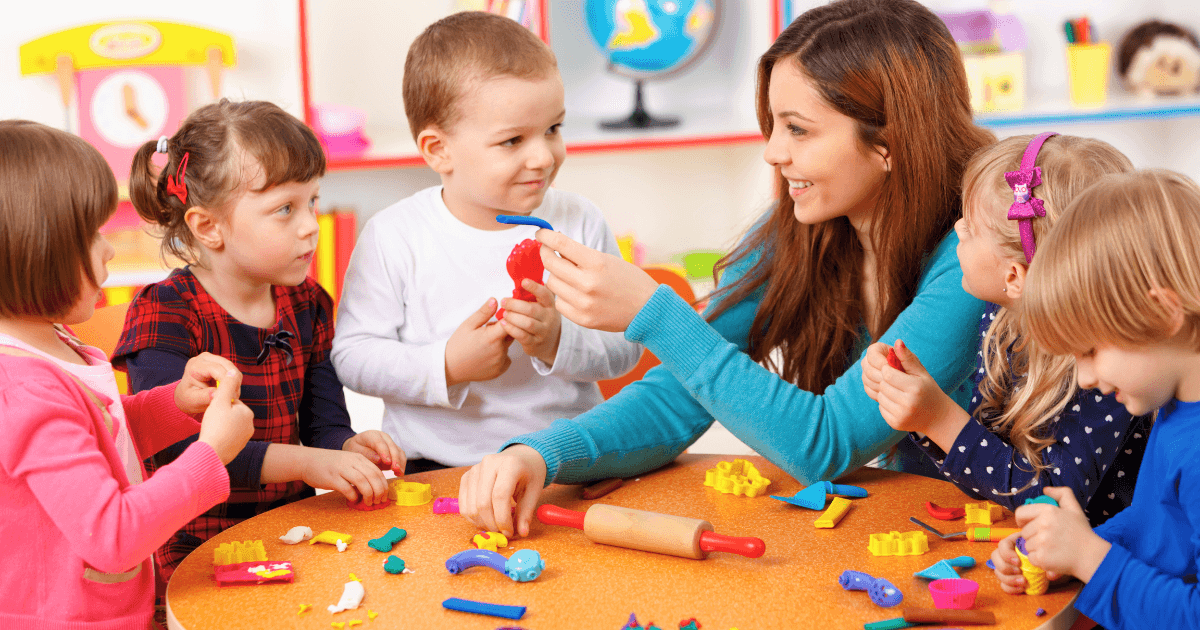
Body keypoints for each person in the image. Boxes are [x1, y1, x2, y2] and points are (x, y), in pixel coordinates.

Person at [458, 0, 996, 538]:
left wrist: (655, 315)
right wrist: (541, 456)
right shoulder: (811, 223)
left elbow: (825, 444)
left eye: (798, 130)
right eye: (772, 126)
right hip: (913, 527)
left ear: (888, 143)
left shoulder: (975, 257)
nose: (772, 153)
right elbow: (679, 394)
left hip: (1000, 541)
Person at [331, 11, 641, 473]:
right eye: (513, 140)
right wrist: (447, 365)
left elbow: (625, 346)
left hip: (563, 461)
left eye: (553, 129)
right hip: (434, 469)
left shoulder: (578, 221)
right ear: (439, 150)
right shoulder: (394, 236)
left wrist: (559, 341)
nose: (543, 155)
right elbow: (353, 356)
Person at [112, 99, 406, 583]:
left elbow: (323, 423)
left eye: (312, 200)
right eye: (284, 209)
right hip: (194, 554)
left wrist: (349, 448)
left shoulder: (308, 301)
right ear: (208, 227)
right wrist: (312, 464)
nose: (311, 224)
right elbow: (184, 453)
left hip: (292, 536)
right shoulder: (166, 312)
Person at [0, 120, 255, 628]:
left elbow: (102, 437)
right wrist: (210, 455)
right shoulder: (25, 390)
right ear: (34, 249)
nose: (110, 248)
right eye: (91, 234)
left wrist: (176, 405)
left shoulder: (51, 341)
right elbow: (112, 536)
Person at [862, 133, 1149, 523]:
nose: (958, 230)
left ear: (1015, 276)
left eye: (972, 229)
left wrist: (937, 418)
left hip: (1103, 568)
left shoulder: (1108, 374)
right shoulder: (999, 320)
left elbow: (1052, 501)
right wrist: (918, 402)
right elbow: (993, 467)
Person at [990, 170, 1200, 629]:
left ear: (1165, 314)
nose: (1083, 378)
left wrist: (1090, 558)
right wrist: (1066, 550)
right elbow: (1160, 533)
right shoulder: (1174, 407)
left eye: (1090, 351)